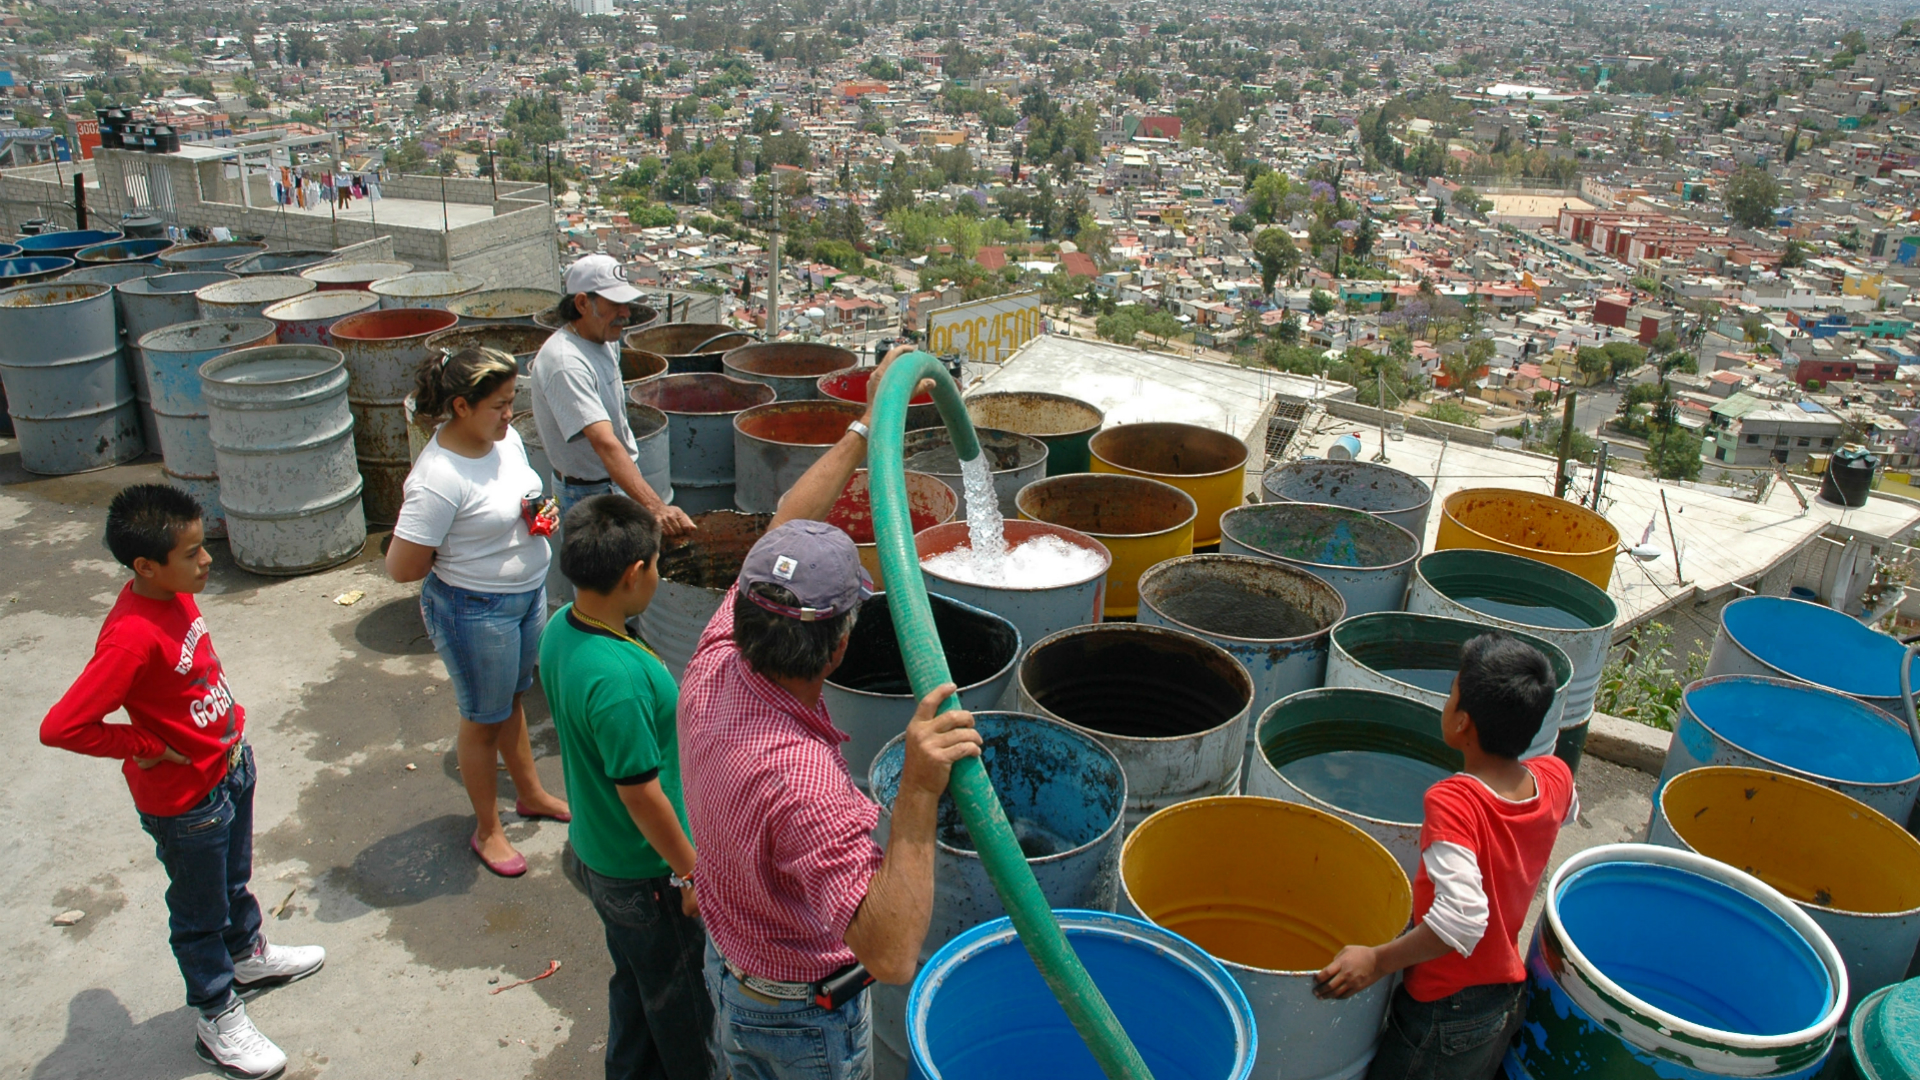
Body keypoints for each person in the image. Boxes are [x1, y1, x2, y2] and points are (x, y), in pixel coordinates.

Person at [679, 347, 979, 1080]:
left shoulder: (716, 658)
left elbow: (787, 522)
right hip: (799, 1024)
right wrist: (916, 793)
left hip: (734, 969)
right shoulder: (804, 783)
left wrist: (866, 426)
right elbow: (891, 953)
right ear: (842, 645)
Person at [40, 484, 326, 1080]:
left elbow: (192, 673)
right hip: (186, 802)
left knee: (233, 880)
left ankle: (248, 955)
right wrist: (144, 744)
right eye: (193, 553)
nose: (207, 561)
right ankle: (216, 1016)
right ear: (146, 565)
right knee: (197, 913)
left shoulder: (176, 595)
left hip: (228, 767)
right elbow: (63, 726)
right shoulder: (128, 636)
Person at [1314, 632, 1578, 1080]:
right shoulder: (1553, 775)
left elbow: (1462, 919)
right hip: (1499, 996)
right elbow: (1567, 812)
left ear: (1463, 724)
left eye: (1451, 693)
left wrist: (1376, 961)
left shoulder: (1455, 801)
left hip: (1444, 1011)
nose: (1447, 700)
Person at [540, 494, 713, 1080]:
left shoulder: (562, 628)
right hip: (647, 873)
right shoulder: (617, 678)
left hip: (599, 853)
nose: (659, 577)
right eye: (657, 566)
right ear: (636, 572)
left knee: (638, 984)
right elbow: (639, 793)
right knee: (686, 1008)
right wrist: (690, 871)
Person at [387, 346, 570, 878]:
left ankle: (531, 793)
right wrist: (461, 550)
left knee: (513, 698)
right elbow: (402, 567)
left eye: (513, 401)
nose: (510, 414)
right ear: (462, 406)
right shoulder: (438, 478)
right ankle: (488, 828)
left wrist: (539, 513)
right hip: (474, 609)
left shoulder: (504, 440)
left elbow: (517, 495)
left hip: (524, 595)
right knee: (481, 720)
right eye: (499, 404)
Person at [531, 253, 694, 536]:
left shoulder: (604, 340)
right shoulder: (566, 363)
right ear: (582, 303)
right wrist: (655, 507)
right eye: (616, 304)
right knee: (601, 578)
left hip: (616, 481)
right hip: (587, 495)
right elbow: (605, 443)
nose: (626, 313)